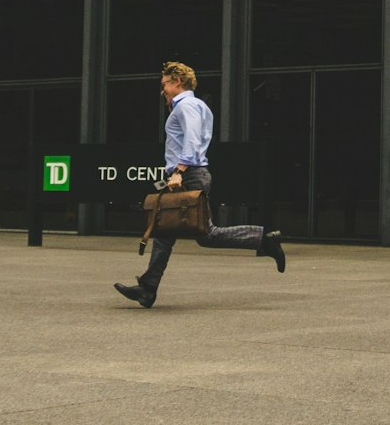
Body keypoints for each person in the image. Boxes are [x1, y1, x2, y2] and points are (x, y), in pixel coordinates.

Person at [113, 62, 287, 309]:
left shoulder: (186, 107)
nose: (162, 90)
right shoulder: (195, 105)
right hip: (190, 174)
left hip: (189, 175)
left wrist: (180, 171)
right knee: (164, 232)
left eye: (164, 84)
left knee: (206, 234)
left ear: (177, 82)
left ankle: (264, 239)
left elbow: (193, 139)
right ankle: (148, 288)